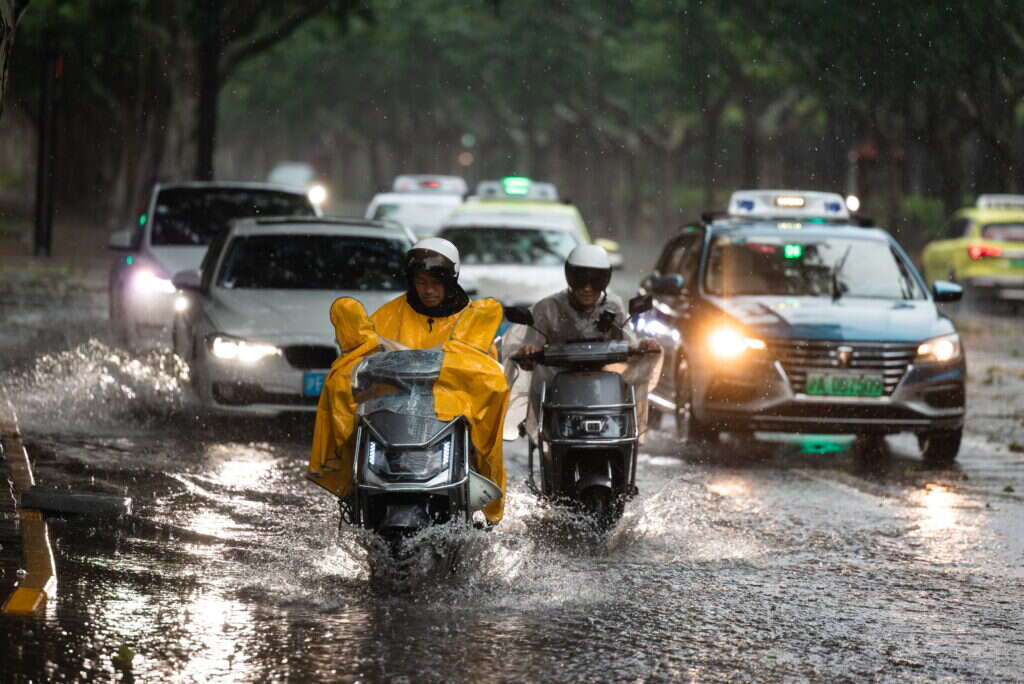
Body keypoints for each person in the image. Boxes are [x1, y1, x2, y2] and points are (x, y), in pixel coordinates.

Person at [507, 244, 661, 439]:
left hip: (605, 389)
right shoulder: (547, 308)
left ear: (606, 279)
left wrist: (643, 347)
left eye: (596, 281)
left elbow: (628, 341)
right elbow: (530, 347)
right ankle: (546, 436)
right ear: (569, 277)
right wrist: (528, 353)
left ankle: (626, 436)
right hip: (557, 388)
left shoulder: (613, 306)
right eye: (580, 280)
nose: (587, 288)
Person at [370, 237, 473, 350]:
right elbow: (362, 354)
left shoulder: (471, 320)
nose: (428, 290)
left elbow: (485, 363)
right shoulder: (388, 315)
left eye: (436, 283)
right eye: (421, 282)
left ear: (450, 282)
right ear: (412, 281)